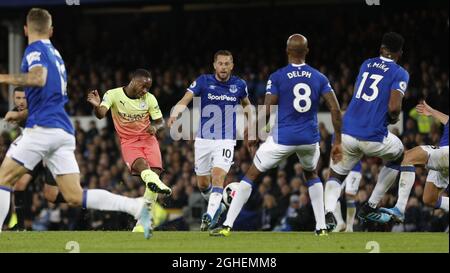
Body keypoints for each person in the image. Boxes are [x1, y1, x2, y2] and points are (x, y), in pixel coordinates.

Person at [0, 8, 152, 239]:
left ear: (25, 30)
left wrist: (2, 77)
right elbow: (48, 95)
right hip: (62, 130)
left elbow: (38, 78)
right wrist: (22, 116)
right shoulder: (56, 55)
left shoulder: (34, 50)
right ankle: (135, 206)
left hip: (42, 129)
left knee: (3, 179)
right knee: (73, 195)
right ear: (50, 31)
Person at [210, 34, 343, 237]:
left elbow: (268, 109)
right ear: (306, 51)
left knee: (252, 174)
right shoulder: (319, 77)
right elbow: (335, 109)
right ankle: (321, 227)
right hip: (309, 139)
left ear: (287, 52)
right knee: (311, 174)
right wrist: (338, 141)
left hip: (283, 138)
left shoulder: (278, 76)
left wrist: (254, 130)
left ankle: (227, 225)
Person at [323, 32, 409, 229]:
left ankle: (328, 214)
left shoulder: (366, 64)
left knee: (336, 175)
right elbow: (394, 107)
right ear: (400, 53)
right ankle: (370, 205)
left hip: (348, 132)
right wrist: (393, 118)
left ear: (381, 49)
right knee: (399, 155)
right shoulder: (400, 72)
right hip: (373, 136)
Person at [168, 50, 252, 231]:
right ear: (215, 65)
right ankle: (220, 207)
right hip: (203, 140)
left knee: (218, 176)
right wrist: (175, 113)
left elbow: (247, 105)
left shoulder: (239, 85)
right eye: (220, 63)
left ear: (232, 65)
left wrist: (252, 125)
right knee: (203, 183)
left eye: (227, 63)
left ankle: (209, 216)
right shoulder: (203, 81)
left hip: (225, 140)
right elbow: (185, 99)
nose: (223, 67)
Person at [87, 69, 172, 231]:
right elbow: (101, 114)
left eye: (148, 87)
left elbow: (160, 121)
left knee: (154, 173)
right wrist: (97, 107)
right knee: (142, 167)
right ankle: (153, 190)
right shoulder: (113, 94)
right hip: (129, 141)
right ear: (134, 81)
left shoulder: (149, 98)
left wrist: (155, 127)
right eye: (143, 86)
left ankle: (142, 222)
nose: (145, 90)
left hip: (148, 140)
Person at [5, 87, 66, 230]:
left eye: (24, 98)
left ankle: (78, 197)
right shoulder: (18, 112)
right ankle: (20, 227)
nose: (20, 101)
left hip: (50, 155)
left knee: (51, 196)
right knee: (19, 186)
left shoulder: (37, 111)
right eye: (17, 98)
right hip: (35, 156)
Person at [379, 101, 448, 222]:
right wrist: (431, 111)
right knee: (429, 199)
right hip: (443, 160)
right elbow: (447, 119)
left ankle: (399, 208)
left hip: (446, 153)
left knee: (409, 157)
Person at [332, 161, 362, 232]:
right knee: (333, 194)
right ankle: (340, 223)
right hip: (339, 168)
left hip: (353, 168)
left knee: (350, 197)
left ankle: (349, 227)